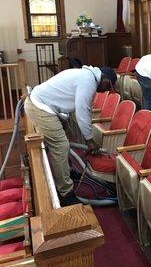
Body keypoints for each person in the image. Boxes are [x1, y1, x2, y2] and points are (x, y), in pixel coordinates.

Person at [24, 65, 117, 206]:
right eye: (108, 87)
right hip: (40, 107)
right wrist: (90, 140)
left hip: (45, 106)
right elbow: (82, 112)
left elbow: (83, 108)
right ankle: (66, 193)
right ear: (103, 78)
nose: (105, 91)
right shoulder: (88, 81)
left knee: (63, 138)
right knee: (61, 145)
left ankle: (67, 171)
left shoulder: (86, 76)